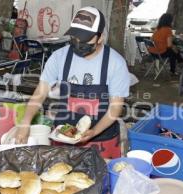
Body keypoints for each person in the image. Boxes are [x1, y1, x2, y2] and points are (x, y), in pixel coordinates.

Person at [15, 6, 130, 159]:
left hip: (102, 141)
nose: (78, 42)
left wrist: (94, 132)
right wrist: (25, 122)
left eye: (85, 38)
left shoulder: (115, 63)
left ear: (100, 37)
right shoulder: (59, 57)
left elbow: (115, 109)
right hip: (63, 139)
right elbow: (40, 93)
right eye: (75, 36)